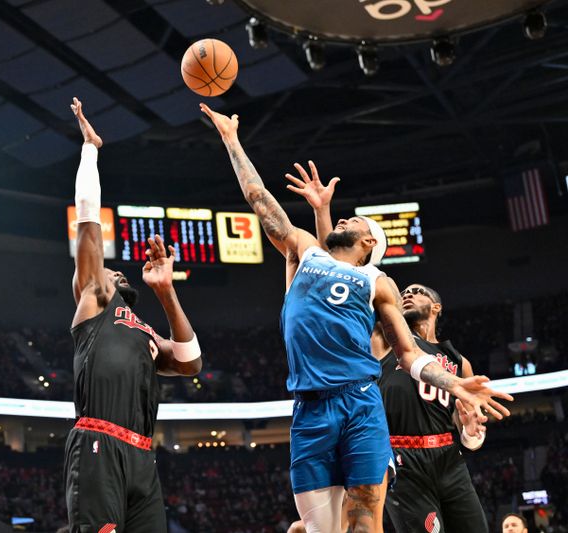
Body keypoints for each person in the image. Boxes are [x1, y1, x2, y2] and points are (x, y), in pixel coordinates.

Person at [200, 102, 513, 533]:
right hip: (310, 410)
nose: (342, 217)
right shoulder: (305, 251)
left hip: (362, 406)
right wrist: (232, 140)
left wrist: (455, 383)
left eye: (353, 219)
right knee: (320, 530)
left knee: (366, 524)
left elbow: (409, 354)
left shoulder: (378, 283)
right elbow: (260, 201)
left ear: (367, 240)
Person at [65, 97, 203, 533]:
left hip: (143, 451)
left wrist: (166, 292)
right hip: (99, 439)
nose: (115, 270)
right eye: (110, 268)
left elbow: (190, 362)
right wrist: (91, 151)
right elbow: (89, 224)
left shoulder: (142, 329)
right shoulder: (96, 298)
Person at [371, 284, 489, 533]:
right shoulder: (386, 340)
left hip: (449, 458)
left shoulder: (459, 361)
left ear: (436, 307)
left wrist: (469, 431)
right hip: (404, 460)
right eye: (404, 293)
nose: (408, 295)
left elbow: (472, 441)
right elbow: (377, 292)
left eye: (417, 291)